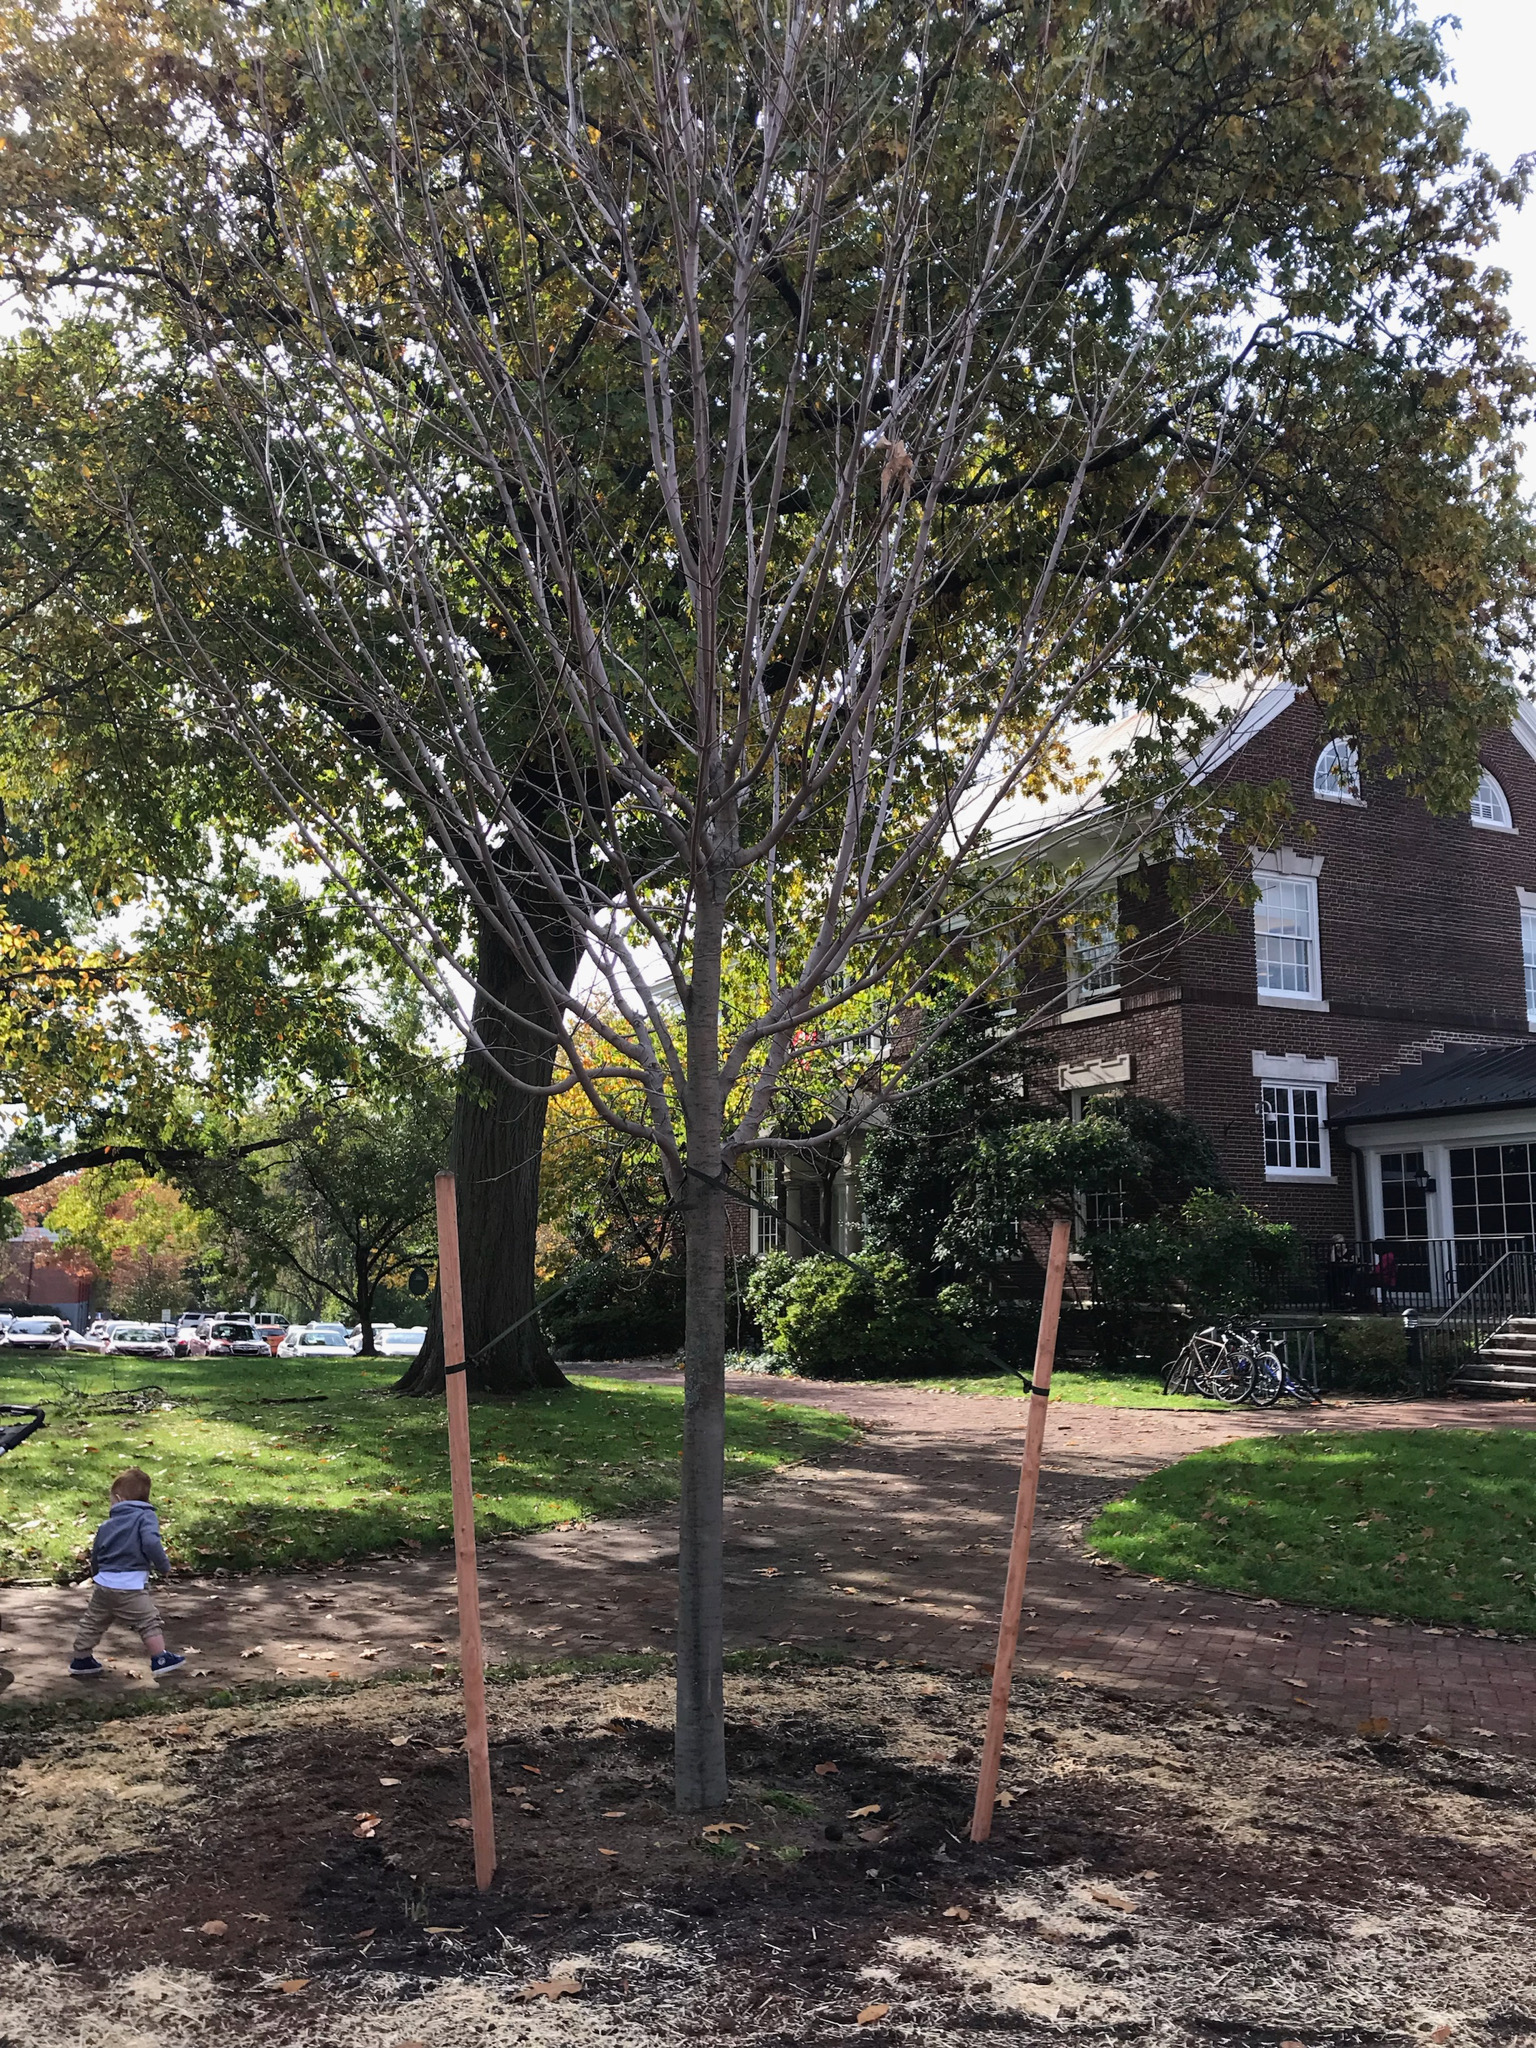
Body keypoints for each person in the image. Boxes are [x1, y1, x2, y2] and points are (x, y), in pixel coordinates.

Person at [68, 1467, 185, 1680]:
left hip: (104, 1585)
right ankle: (160, 1658)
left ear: (119, 1499)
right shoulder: (145, 1516)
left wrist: (96, 1573)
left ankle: (81, 1659)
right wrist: (164, 1565)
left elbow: (96, 1552)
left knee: (93, 1621)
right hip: (129, 1586)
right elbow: (151, 1542)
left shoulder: (107, 1525)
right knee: (148, 1621)